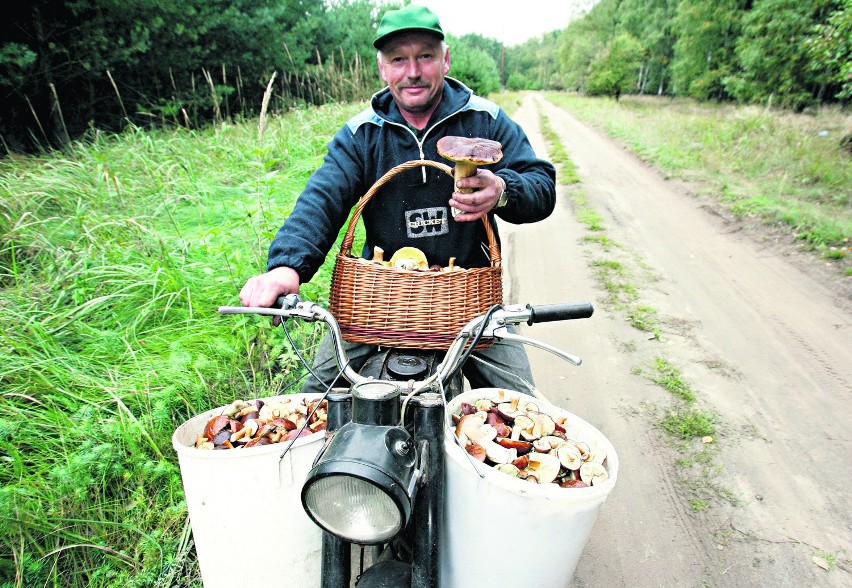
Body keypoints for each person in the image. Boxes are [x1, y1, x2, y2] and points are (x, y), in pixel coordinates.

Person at [239, 5, 556, 394]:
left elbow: (542, 185)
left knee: (524, 407)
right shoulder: (362, 134)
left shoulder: (485, 120)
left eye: (425, 55)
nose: (413, 72)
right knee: (311, 404)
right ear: (382, 68)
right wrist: (286, 267)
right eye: (398, 59)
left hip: (470, 306)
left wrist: (503, 191)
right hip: (377, 304)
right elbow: (321, 199)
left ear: (445, 58)